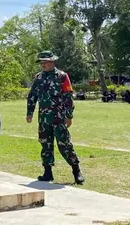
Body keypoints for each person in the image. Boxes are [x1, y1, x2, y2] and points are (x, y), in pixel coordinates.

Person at [26, 51, 85, 185]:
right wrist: (29, 112)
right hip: (44, 119)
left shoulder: (62, 76)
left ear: (52, 62)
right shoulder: (38, 77)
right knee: (45, 144)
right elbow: (32, 95)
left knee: (64, 144)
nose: (42, 65)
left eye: (45, 62)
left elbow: (68, 97)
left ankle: (76, 170)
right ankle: (48, 173)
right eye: (41, 63)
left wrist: (69, 116)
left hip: (59, 117)